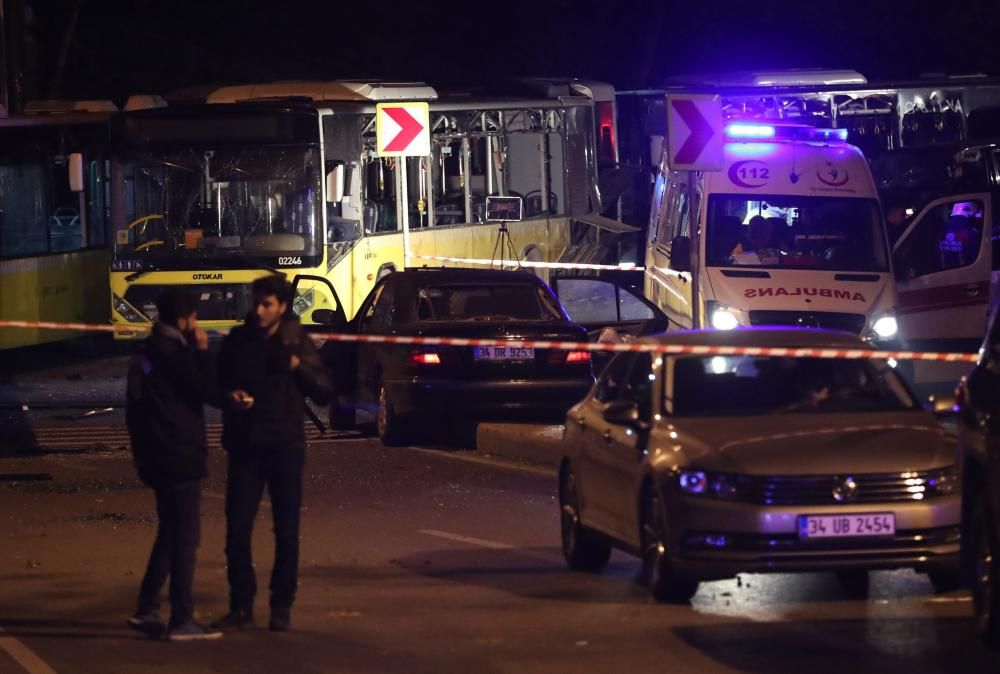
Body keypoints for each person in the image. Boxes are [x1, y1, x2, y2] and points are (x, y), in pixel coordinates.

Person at [213, 275, 333, 632]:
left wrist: (298, 367)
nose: (260, 310)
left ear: (281, 306)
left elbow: (325, 391)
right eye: (257, 303)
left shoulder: (296, 340)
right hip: (245, 444)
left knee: (286, 531)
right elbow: (217, 382)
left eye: (267, 304)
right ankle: (241, 605)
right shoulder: (239, 340)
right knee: (237, 530)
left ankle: (281, 604)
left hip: (285, 445)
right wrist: (231, 397)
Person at [125, 289, 221, 641]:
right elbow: (206, 390)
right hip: (178, 453)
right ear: (185, 319)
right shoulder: (176, 354)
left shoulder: (145, 352)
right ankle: (181, 618)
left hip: (155, 453)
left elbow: (134, 409)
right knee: (184, 538)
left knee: (169, 533)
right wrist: (202, 352)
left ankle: (146, 607)